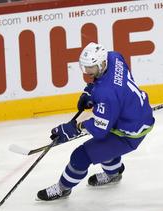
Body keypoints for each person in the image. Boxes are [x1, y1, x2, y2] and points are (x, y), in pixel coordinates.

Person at [37, 42, 155, 201]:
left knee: (81, 156)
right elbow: (113, 84)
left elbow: (100, 130)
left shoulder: (106, 93)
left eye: (90, 68)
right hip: (135, 115)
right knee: (104, 149)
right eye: (84, 67)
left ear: (102, 63)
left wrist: (73, 129)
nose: (86, 72)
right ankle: (114, 173)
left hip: (128, 133)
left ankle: (62, 188)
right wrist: (91, 92)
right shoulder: (114, 57)